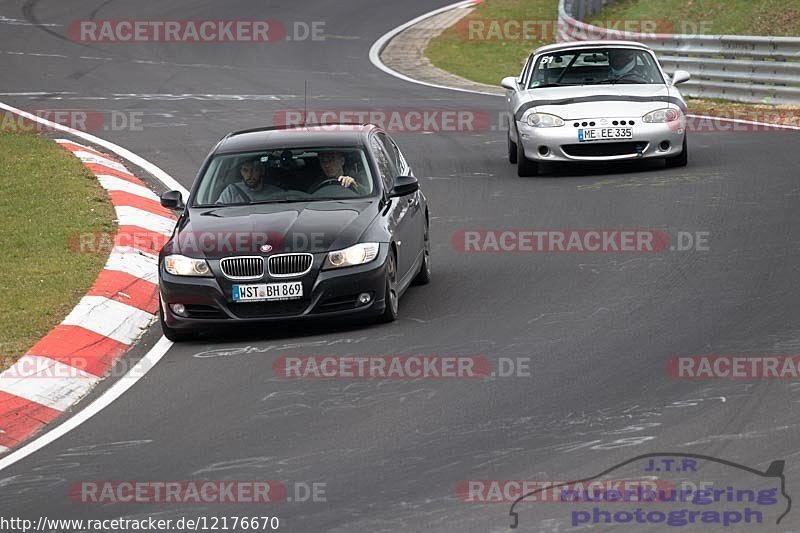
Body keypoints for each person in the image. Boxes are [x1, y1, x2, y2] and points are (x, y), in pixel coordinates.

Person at [216, 158, 281, 204]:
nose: (249, 175)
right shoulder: (231, 191)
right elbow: (219, 210)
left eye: (254, 170)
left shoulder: (275, 192)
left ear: (262, 171)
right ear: (241, 172)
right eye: (245, 170)